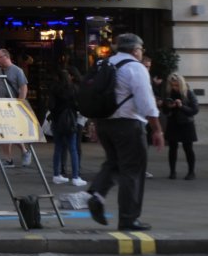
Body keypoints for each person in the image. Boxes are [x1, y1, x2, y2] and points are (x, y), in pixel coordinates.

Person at [87, 33, 163, 232]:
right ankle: (129, 219)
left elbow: (97, 95)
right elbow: (146, 103)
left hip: (105, 123)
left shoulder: (105, 63)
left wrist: (94, 124)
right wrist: (157, 130)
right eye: (141, 49)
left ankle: (97, 196)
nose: (141, 53)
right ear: (134, 49)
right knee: (133, 172)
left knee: (113, 163)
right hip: (128, 125)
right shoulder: (135, 68)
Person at [0, 48, 31, 167]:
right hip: (0, 107)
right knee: (8, 133)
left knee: (7, 132)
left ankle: (8, 159)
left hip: (11, 106)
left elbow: (23, 87)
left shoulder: (17, 70)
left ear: (6, 57)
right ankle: (24, 152)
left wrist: (20, 103)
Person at [48, 62, 85, 187]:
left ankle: (56, 175)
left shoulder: (54, 88)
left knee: (58, 148)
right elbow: (78, 105)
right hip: (70, 121)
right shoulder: (73, 89)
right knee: (73, 149)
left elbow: (51, 106)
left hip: (57, 121)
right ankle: (75, 176)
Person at [162, 72, 198, 180]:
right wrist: (169, 107)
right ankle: (172, 172)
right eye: (172, 85)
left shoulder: (188, 93)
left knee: (188, 148)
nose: (174, 87)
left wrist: (181, 106)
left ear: (181, 84)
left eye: (176, 85)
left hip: (186, 123)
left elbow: (194, 110)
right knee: (172, 148)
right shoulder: (169, 94)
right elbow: (165, 110)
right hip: (173, 123)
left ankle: (191, 172)